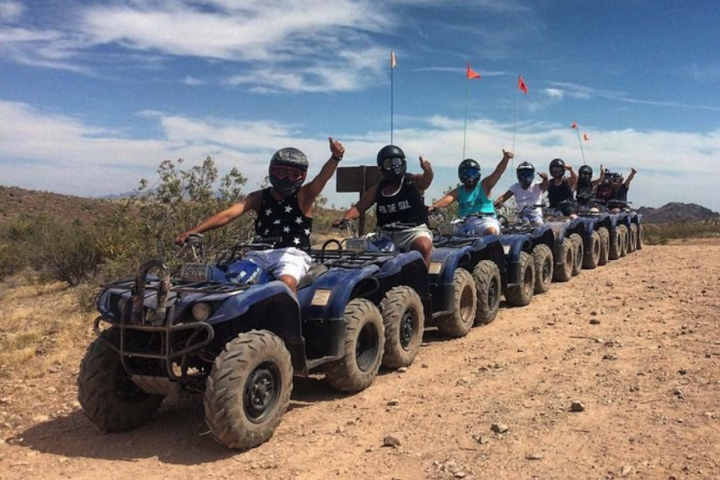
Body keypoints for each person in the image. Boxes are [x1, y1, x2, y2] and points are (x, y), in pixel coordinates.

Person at [175, 137, 345, 294]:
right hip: (259, 253)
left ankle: (287, 324)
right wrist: (194, 231)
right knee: (230, 278)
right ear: (272, 172)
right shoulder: (257, 197)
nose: (286, 178)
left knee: (286, 283)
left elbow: (322, 178)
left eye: (293, 174)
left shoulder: (304, 196)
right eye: (281, 172)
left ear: (302, 176)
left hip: (292, 254)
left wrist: (335, 158)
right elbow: (227, 215)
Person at [334, 144, 434, 266]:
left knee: (423, 245)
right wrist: (346, 219)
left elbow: (426, 181)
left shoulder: (412, 181)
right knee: (354, 248)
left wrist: (428, 170)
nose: (393, 166)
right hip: (385, 235)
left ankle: (422, 283)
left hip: (412, 232)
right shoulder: (378, 190)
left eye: (397, 161)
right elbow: (358, 208)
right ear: (381, 167)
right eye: (388, 163)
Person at [430, 149, 514, 236]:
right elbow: (446, 199)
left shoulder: (484, 185)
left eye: (473, 172)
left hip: (484, 220)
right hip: (463, 223)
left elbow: (498, 172)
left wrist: (505, 159)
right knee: (439, 232)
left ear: (478, 173)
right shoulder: (459, 190)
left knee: (491, 232)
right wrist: (433, 207)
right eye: (466, 173)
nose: (470, 176)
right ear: (460, 175)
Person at [494, 161, 549, 227]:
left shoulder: (537, 185)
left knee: (539, 225)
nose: (525, 175)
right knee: (513, 227)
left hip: (535, 215)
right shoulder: (515, 187)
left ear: (532, 174)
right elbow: (504, 197)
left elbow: (545, 186)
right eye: (523, 173)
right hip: (521, 215)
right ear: (518, 174)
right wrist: (496, 203)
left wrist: (545, 179)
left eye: (528, 173)